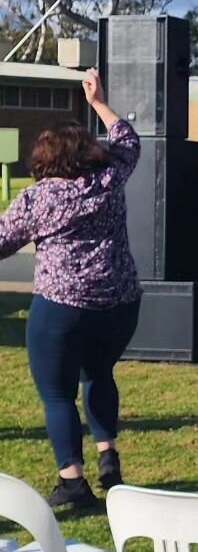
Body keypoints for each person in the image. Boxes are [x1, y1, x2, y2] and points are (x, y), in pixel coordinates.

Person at [0, 70, 142, 511]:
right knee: (100, 374)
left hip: (61, 307)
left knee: (57, 394)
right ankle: (108, 457)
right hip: (119, 302)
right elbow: (128, 138)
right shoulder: (110, 178)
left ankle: (72, 482)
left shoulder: (37, 199)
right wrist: (99, 101)